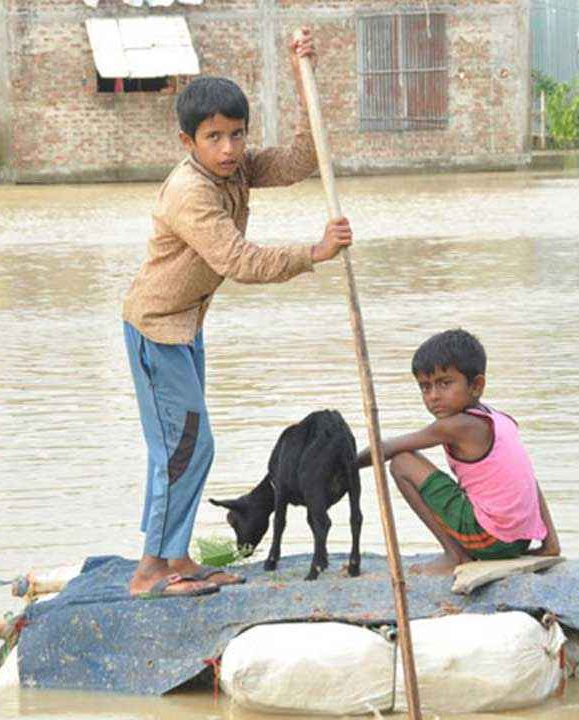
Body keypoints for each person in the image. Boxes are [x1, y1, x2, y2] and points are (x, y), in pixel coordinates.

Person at [121, 28, 353, 597]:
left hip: (185, 325)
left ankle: (175, 557)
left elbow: (300, 159)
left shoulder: (237, 169)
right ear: (188, 141)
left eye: (237, 135)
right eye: (214, 138)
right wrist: (314, 253)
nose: (228, 148)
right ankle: (151, 570)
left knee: (183, 445)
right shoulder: (190, 193)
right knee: (185, 447)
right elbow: (239, 260)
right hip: (157, 331)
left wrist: (304, 77)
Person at [357, 329, 560, 575]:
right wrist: (550, 543)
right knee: (412, 459)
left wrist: (346, 465)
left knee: (401, 463)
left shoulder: (455, 426)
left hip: (491, 538)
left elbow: (387, 449)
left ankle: (455, 555)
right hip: (520, 538)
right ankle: (547, 542)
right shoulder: (501, 419)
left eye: (445, 383)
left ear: (476, 385)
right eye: (425, 387)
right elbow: (530, 481)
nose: (433, 396)